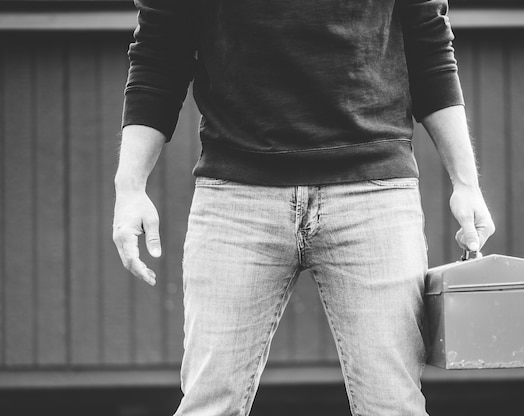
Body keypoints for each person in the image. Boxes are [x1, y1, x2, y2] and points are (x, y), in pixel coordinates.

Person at [113, 0, 495, 415]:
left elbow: (430, 50)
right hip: (236, 198)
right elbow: (158, 55)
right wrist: (129, 187)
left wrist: (467, 183)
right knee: (210, 402)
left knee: (393, 404)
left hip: (373, 195)